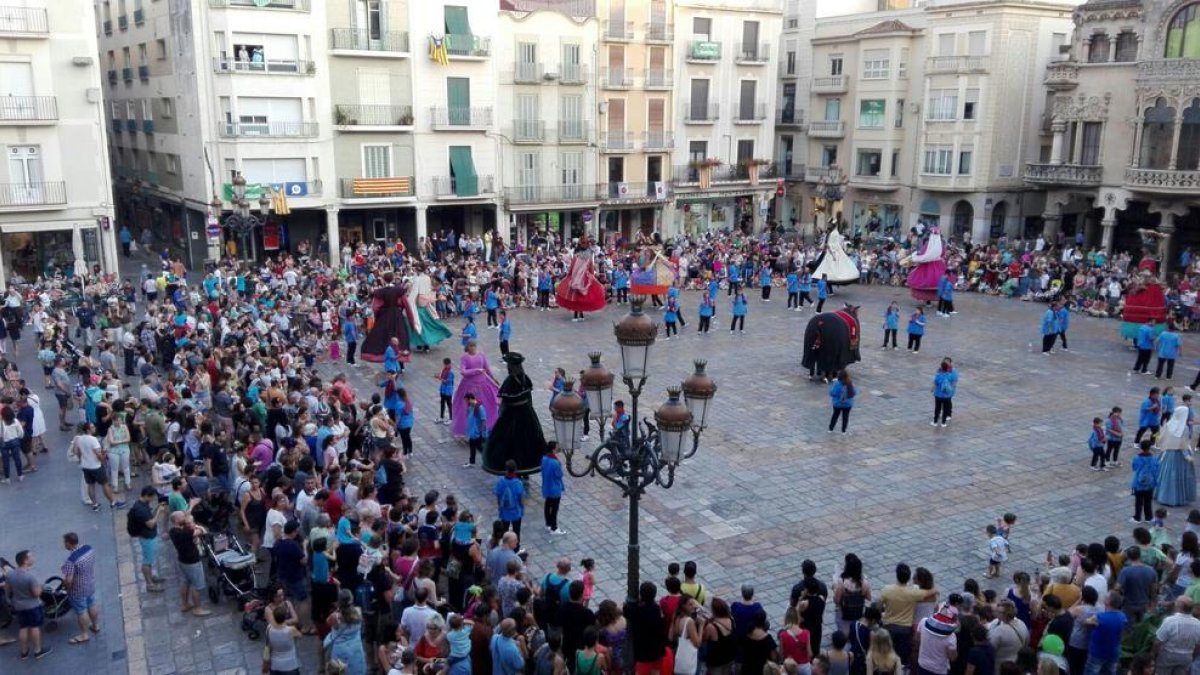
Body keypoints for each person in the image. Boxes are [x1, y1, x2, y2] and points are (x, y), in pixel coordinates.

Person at [484, 352, 546, 475]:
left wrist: (502, 416)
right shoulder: (525, 378)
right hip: (526, 413)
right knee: (527, 441)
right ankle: (526, 468)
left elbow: (505, 403)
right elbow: (528, 397)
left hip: (512, 416)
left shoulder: (510, 381)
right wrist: (530, 410)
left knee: (511, 442)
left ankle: (516, 468)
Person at [168, 511, 213, 617]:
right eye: (183, 516)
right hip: (192, 561)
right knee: (197, 585)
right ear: (177, 520)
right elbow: (203, 531)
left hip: (182, 560)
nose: (185, 517)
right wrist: (198, 527)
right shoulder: (185, 532)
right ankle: (197, 608)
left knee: (185, 582)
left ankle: (184, 604)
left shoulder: (173, 531)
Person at [451, 341, 500, 439]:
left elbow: (487, 368)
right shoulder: (464, 358)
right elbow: (463, 371)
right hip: (469, 386)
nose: (473, 348)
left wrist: (493, 378)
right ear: (467, 347)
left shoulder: (481, 355)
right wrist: (476, 370)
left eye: (474, 346)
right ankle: (471, 430)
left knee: (487, 405)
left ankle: (486, 428)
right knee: (470, 408)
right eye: (470, 346)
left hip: (483, 384)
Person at [9, 550, 52, 659]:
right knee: (34, 627)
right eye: (30, 557)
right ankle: (38, 651)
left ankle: (24, 652)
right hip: (32, 607)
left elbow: (7, 589)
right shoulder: (29, 577)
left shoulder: (10, 574)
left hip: (19, 606)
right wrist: (41, 587)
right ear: (25, 561)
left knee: (23, 628)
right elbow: (36, 594)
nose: (33, 558)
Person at [60, 532, 100, 646]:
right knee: (92, 604)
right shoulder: (89, 549)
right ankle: (95, 625)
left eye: (64, 542)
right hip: (90, 583)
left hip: (78, 589)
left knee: (81, 611)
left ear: (68, 543)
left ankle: (84, 634)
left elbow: (68, 580)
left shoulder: (71, 561)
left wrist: (68, 589)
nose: (64, 545)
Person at [1156, 393, 1195, 506]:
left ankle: (1161, 495)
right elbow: (1183, 445)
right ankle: (1175, 498)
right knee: (1177, 476)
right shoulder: (1184, 428)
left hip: (1167, 453)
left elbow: (1160, 438)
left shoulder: (1169, 424)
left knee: (1165, 474)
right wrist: (1188, 456)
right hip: (1179, 456)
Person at [127, 485, 164, 592]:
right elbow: (151, 523)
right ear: (148, 496)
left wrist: (157, 508)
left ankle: (151, 577)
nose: (153, 500)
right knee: (147, 561)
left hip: (148, 536)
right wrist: (159, 511)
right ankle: (149, 584)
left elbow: (149, 517)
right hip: (147, 537)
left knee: (150, 558)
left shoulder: (142, 504)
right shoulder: (141, 510)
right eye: (152, 497)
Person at [1082, 592, 1126, 675]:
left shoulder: (1100, 617)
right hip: (1114, 653)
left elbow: (1086, 622)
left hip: (1098, 653)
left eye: (1106, 597)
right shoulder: (1122, 617)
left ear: (1108, 602)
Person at [494, 460, 525, 542]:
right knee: (516, 531)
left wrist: (499, 507)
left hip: (504, 511)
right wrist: (522, 509)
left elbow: (498, 496)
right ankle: (516, 548)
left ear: (506, 469)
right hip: (516, 511)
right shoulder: (518, 483)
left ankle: (505, 546)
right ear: (515, 470)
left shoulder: (500, 481)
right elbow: (521, 499)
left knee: (504, 531)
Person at [1131, 440, 1160, 523]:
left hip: (1138, 484)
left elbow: (1134, 468)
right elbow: (1157, 470)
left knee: (1138, 502)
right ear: (1149, 448)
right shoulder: (1154, 459)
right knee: (1148, 501)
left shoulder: (1136, 458)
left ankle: (1137, 518)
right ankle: (1149, 517)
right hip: (1150, 484)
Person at [542, 442, 565, 535]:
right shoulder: (555, 463)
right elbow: (559, 475)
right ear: (553, 449)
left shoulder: (544, 459)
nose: (558, 448)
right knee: (554, 509)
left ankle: (548, 524)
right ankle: (554, 527)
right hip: (555, 488)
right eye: (557, 447)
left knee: (547, 506)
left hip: (546, 487)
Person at [932, 358, 958, 428]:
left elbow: (935, 383)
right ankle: (943, 422)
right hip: (947, 395)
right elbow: (954, 382)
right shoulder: (950, 374)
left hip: (939, 394)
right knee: (945, 407)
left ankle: (936, 421)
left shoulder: (939, 375)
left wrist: (932, 390)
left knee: (938, 407)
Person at [828, 370, 856, 434]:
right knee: (845, 417)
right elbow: (854, 393)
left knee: (835, 415)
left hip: (837, 404)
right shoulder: (850, 383)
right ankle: (843, 431)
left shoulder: (837, 384)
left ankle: (830, 429)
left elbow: (832, 393)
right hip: (847, 404)